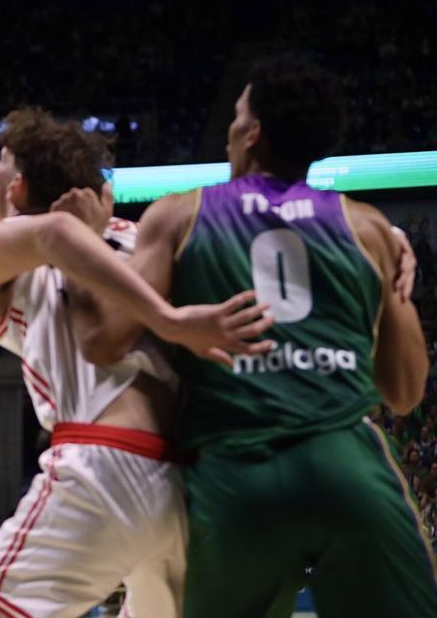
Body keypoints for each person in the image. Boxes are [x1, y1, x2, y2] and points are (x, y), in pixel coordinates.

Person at [81, 53, 437, 617]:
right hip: (348, 468)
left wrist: (82, 247)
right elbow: (405, 392)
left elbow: (103, 341)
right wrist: (394, 276)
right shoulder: (366, 226)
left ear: (252, 134)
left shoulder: (178, 216)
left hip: (237, 476)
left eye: (236, 116)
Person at [0, 108, 277, 618]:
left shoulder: (26, 258)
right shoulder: (149, 239)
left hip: (104, 463)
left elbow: (5, 256)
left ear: (18, 188)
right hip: (189, 484)